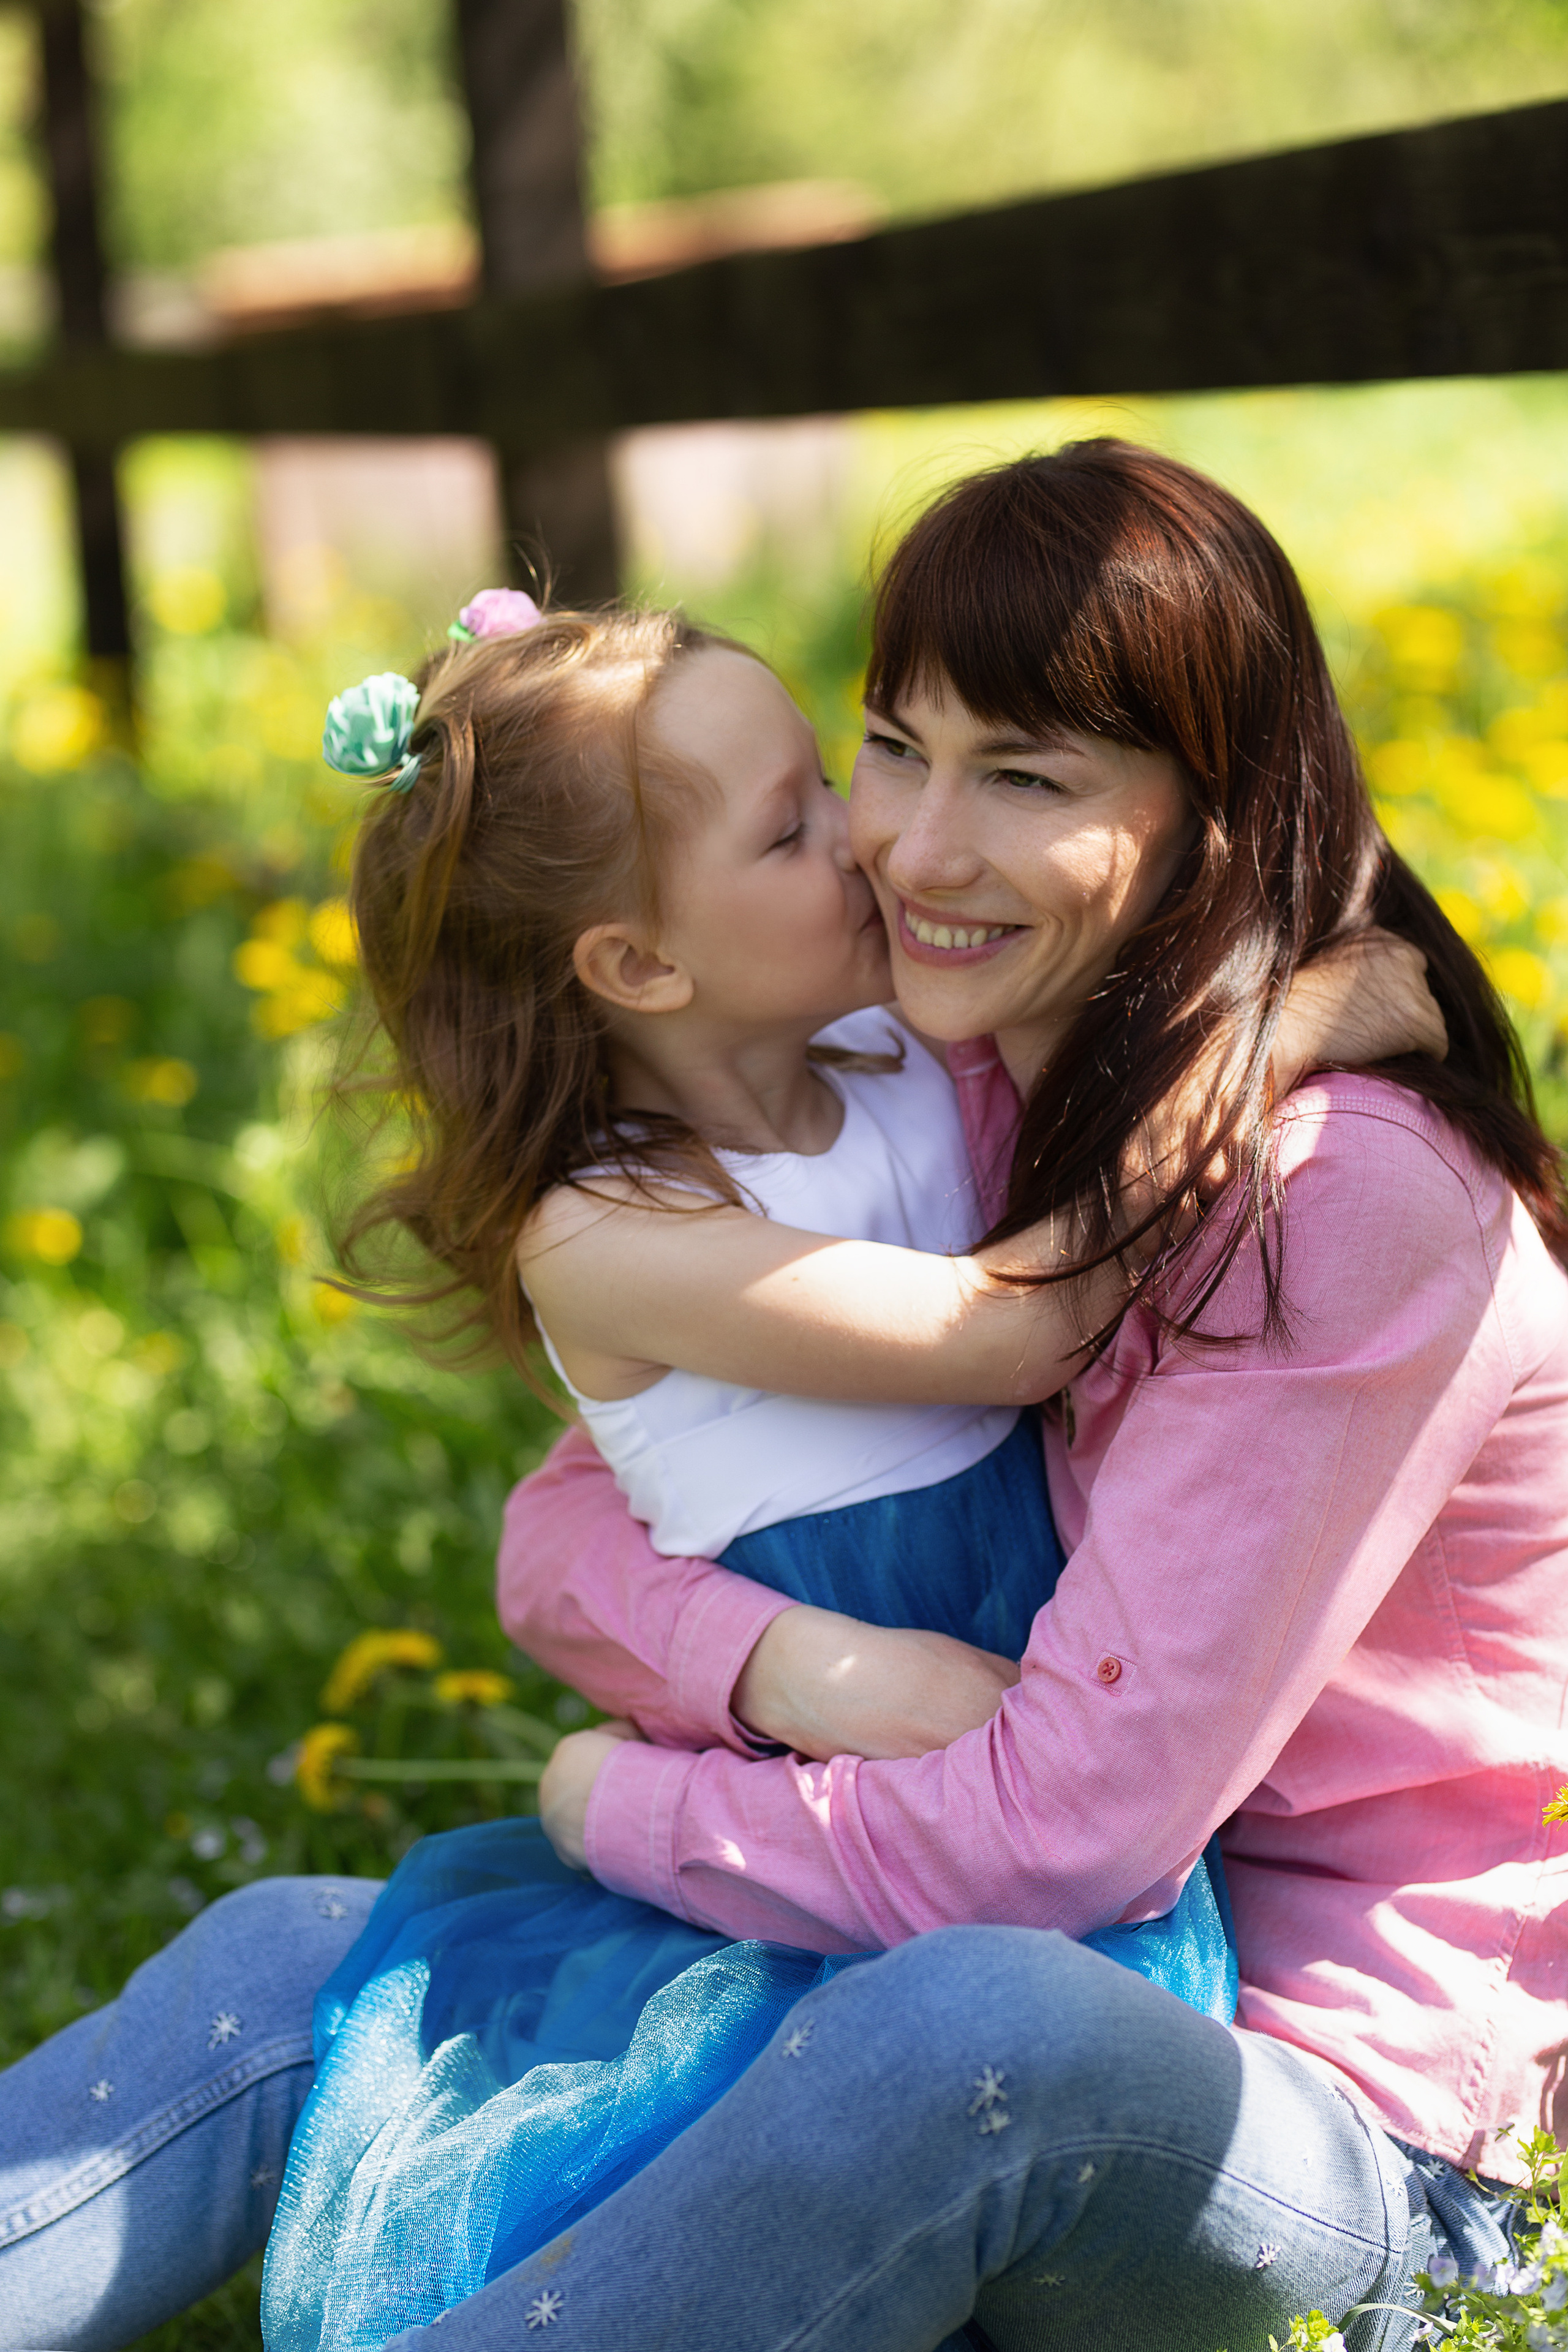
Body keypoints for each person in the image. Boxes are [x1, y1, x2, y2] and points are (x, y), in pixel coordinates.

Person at [0, 561, 1432, 2352]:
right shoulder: (607, 1231)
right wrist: (1274, 1041)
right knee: (390, 1996)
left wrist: (1287, 991)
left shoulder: (900, 1053)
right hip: (848, 1783)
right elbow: (1017, 1333)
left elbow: (1244, 1013)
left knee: (875, 2080)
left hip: (1007, 1819)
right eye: (796, 824)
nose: (873, 844)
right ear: (641, 962)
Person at [417, 443, 1567, 2351]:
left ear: (1220, 813)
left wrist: (620, 1800)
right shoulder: (961, 1088)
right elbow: (570, 1527)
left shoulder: (1332, 1203)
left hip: (1347, 2106)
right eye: (890, 745)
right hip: (1023, 1922)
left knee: (966, 2034)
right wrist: (792, 1676)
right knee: (372, 1942)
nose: (912, 847)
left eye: (1025, 776)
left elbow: (1059, 1850)